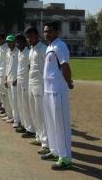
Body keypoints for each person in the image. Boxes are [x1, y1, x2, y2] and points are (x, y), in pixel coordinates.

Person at [41, 22, 74, 170]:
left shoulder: (60, 46)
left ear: (56, 32)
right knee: (51, 123)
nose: (46, 34)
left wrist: (69, 82)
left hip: (58, 90)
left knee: (61, 124)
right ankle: (55, 151)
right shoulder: (49, 46)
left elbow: (65, 65)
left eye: (49, 31)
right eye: (45, 31)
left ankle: (66, 157)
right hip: (48, 90)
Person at [25, 26, 49, 151]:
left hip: (40, 85)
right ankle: (39, 137)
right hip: (31, 83)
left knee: (41, 114)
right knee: (34, 112)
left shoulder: (43, 49)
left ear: (37, 36)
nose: (29, 39)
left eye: (31, 36)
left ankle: (46, 143)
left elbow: (49, 68)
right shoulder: (31, 50)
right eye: (27, 37)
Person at [15, 34, 33, 136]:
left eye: (19, 42)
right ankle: (24, 124)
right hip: (20, 81)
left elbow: (30, 68)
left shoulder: (28, 53)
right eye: (16, 42)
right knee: (21, 104)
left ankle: (30, 129)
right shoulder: (19, 53)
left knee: (27, 105)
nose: (18, 44)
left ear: (25, 42)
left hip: (26, 82)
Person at [5, 34, 21, 128]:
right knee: (11, 100)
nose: (9, 43)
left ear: (14, 42)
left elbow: (21, 66)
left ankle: (17, 120)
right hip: (9, 78)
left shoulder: (18, 51)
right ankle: (13, 118)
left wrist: (17, 78)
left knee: (16, 101)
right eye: (7, 42)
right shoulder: (7, 52)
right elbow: (7, 66)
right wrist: (6, 78)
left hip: (15, 80)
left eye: (10, 42)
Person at [0, 33, 11, 120]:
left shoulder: (6, 48)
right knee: (3, 94)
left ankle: (9, 113)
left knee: (6, 94)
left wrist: (5, 76)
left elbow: (7, 64)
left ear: (3, 39)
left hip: (4, 74)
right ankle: (6, 110)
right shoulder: (1, 48)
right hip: (0, 74)